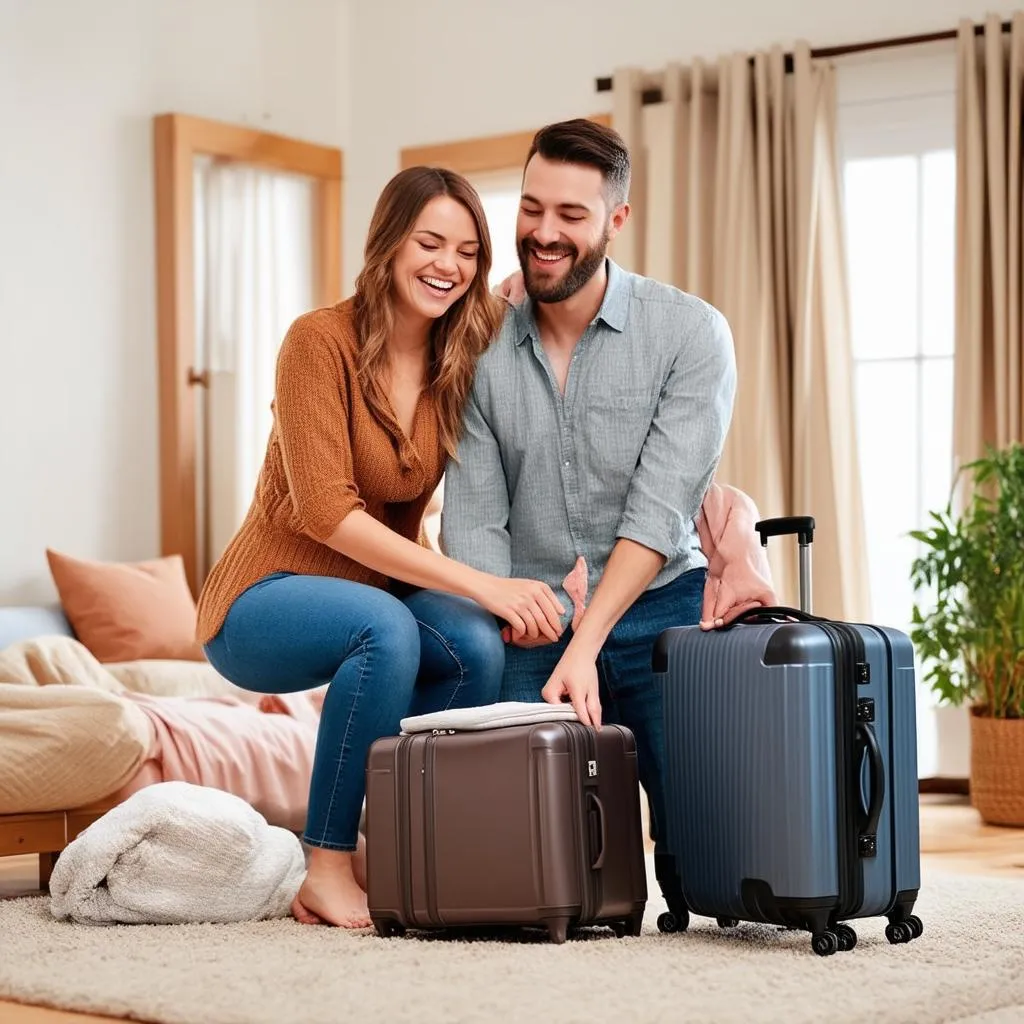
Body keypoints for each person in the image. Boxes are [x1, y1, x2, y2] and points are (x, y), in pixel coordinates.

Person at [195, 166, 566, 930]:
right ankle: (324, 865)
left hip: (377, 595)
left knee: (471, 644)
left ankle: (397, 850)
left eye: (466, 251)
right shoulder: (316, 342)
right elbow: (327, 514)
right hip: (262, 597)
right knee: (391, 627)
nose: (447, 265)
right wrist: (483, 581)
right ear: (389, 244)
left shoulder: (461, 350)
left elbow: (539, 325)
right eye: (429, 242)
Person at [440, 118, 737, 859]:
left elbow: (659, 512)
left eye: (571, 215)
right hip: (529, 617)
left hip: (658, 606)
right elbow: (474, 517)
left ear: (616, 220)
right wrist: (514, 608)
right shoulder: (476, 345)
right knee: (513, 859)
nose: (544, 233)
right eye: (531, 208)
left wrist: (590, 635)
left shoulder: (691, 334)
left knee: (710, 861)